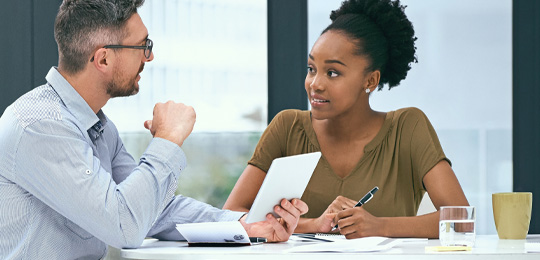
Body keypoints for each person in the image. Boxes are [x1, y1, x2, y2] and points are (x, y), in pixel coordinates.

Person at [0, 0, 307, 259]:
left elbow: (153, 211)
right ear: (103, 58)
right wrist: (168, 139)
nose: (149, 56)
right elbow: (125, 226)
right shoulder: (40, 126)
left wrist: (245, 224)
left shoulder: (98, 128)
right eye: (142, 46)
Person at [223, 0, 469, 239]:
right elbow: (230, 215)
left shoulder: (407, 128)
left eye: (332, 72)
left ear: (370, 81)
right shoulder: (287, 128)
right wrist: (314, 224)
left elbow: (462, 221)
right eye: (311, 69)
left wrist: (377, 225)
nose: (315, 84)